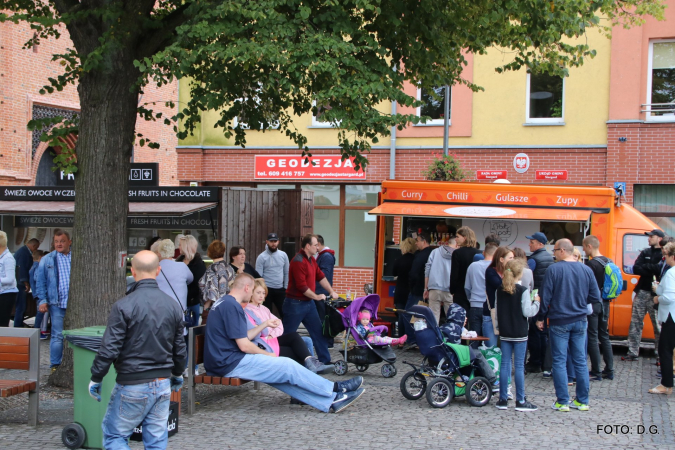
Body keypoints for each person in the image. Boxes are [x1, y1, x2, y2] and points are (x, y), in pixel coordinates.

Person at [204, 273, 365, 413]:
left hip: (223, 360)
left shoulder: (223, 302)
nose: (252, 293)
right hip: (229, 363)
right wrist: (268, 355)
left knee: (281, 376)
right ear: (247, 288)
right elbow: (244, 345)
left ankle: (331, 401)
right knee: (286, 365)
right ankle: (335, 388)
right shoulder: (232, 306)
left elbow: (241, 338)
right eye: (252, 290)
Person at [88, 250, 187, 449]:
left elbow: (109, 348)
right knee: (157, 440)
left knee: (115, 436)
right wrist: (177, 373)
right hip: (162, 383)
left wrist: (97, 377)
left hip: (132, 382)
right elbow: (180, 348)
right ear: (158, 271)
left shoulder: (123, 305)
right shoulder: (173, 305)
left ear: (133, 272)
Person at [540, 239, 601, 412]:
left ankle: (563, 401)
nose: (553, 253)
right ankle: (582, 401)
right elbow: (595, 296)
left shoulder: (554, 269)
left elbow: (545, 297)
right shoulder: (586, 269)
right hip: (580, 319)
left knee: (559, 361)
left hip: (559, 320)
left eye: (555, 250)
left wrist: (541, 317)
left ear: (562, 251)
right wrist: (581, 303)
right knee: (580, 361)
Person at [244, 278, 333, 374]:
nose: (261, 296)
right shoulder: (248, 310)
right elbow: (259, 331)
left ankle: (312, 365)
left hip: (272, 339)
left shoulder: (264, 308)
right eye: (258, 293)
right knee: (295, 342)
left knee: (307, 340)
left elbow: (278, 324)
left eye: (263, 293)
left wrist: (271, 334)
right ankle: (310, 369)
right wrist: (268, 331)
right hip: (263, 343)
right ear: (251, 293)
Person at [283, 234, 339, 365]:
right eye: (315, 245)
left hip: (308, 304)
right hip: (294, 304)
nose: (317, 247)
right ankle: (282, 361)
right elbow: (302, 286)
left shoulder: (311, 260)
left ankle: (325, 361)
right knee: (287, 335)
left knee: (318, 332)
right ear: (308, 246)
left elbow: (321, 277)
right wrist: (317, 296)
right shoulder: (298, 261)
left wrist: (331, 291)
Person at [495, 259, 540, 412]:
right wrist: (537, 304)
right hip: (519, 332)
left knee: (505, 365)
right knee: (519, 366)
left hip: (505, 331)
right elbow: (527, 312)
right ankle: (520, 400)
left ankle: (502, 399)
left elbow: (497, 312)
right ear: (519, 274)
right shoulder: (523, 291)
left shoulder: (499, 290)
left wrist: (498, 327)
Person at [624, 228, 664, 361]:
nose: (648, 238)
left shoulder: (663, 254)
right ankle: (632, 351)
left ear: (659, 238)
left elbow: (660, 269)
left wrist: (647, 267)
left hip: (656, 294)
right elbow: (636, 268)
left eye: (651, 236)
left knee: (658, 325)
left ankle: (659, 353)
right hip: (642, 291)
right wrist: (651, 267)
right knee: (635, 322)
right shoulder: (646, 252)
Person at [35, 230, 72, 371]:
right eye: (56, 241)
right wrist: (42, 300)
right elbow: (41, 282)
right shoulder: (48, 259)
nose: (59, 244)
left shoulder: (76, 257)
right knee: (57, 335)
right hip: (57, 304)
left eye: (62, 241)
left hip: (74, 304)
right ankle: (55, 365)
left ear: (69, 242)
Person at [582, 235, 615, 381]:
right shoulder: (609, 261)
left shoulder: (592, 265)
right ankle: (609, 370)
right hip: (605, 303)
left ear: (589, 246)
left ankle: (596, 371)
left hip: (594, 304)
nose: (583, 250)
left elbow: (587, 287)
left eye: (584, 247)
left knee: (592, 337)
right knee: (604, 336)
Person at [526, 231, 554, 374]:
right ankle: (544, 361)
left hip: (535, 298)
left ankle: (535, 362)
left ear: (540, 244)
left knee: (534, 333)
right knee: (543, 333)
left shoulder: (533, 260)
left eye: (532, 241)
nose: (529, 244)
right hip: (546, 299)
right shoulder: (550, 258)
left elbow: (526, 278)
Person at [650, 242, 675, 395]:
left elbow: (669, 297)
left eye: (666, 256)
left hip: (671, 316)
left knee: (664, 350)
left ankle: (666, 385)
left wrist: (658, 298)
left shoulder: (672, 273)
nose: (664, 259)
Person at [403, 232, 434, 347]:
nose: (416, 243)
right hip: (429, 289)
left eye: (418, 241)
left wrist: (412, 286)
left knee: (408, 313)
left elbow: (414, 273)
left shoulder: (420, 256)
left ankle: (412, 339)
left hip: (417, 290)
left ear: (424, 241)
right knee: (424, 316)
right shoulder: (433, 253)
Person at [465, 242, 499, 343]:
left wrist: (470, 299)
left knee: (474, 337)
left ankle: (473, 357)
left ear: (484, 252)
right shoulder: (496, 268)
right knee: (489, 339)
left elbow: (467, 287)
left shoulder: (473, 266)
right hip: (490, 306)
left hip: (475, 304)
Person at [484, 247, 514, 348]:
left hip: (505, 314)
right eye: (510, 258)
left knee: (506, 348)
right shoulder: (490, 271)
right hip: (491, 313)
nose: (512, 261)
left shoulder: (510, 272)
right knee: (491, 348)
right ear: (501, 259)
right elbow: (501, 286)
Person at [255, 232, 289, 319]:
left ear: (278, 242)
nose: (273, 243)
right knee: (265, 314)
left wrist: (285, 287)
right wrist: (261, 290)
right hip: (267, 290)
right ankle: (267, 332)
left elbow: (287, 272)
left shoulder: (283, 255)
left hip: (280, 289)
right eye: (271, 241)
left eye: (275, 241)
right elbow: (258, 276)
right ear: (267, 242)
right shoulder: (261, 257)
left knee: (285, 313)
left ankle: (285, 332)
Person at [199, 240, 236, 319]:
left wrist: (206, 305)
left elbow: (211, 290)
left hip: (215, 308)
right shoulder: (230, 268)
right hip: (229, 305)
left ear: (210, 252)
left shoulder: (212, 269)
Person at [155, 239, 193, 314]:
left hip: (160, 312)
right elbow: (190, 280)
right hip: (179, 311)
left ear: (159, 253)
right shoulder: (182, 266)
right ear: (173, 252)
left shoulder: (154, 269)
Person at [176, 235, 206, 329]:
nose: (179, 247)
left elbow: (198, 284)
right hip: (180, 301)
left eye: (180, 245)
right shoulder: (178, 261)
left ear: (186, 246)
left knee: (192, 331)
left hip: (192, 302)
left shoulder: (198, 264)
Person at [424, 235, 456, 325]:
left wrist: (426, 288)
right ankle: (450, 337)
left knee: (433, 319)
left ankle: (434, 338)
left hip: (434, 288)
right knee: (451, 318)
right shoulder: (457, 254)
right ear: (456, 244)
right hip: (450, 290)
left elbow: (427, 270)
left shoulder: (435, 252)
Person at [450, 226, 481, 311]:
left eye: (457, 237)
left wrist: (452, 290)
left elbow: (454, 274)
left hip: (460, 291)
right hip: (475, 291)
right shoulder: (479, 253)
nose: (455, 239)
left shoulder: (457, 253)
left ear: (465, 238)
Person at [12, 238, 39, 328]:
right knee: (21, 306)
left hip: (19, 282)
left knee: (21, 305)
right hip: (20, 283)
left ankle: (18, 323)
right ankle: (18, 325)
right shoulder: (24, 253)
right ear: (34, 246)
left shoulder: (23, 251)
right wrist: (26, 283)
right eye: (36, 248)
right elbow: (22, 269)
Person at [314, 235, 336, 346]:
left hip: (321, 291)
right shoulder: (322, 255)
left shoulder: (326, 256)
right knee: (320, 317)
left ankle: (327, 341)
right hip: (319, 291)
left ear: (318, 244)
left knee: (323, 318)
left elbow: (324, 276)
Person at [393, 237, 416, 339]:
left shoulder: (399, 260)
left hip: (400, 289)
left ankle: (401, 338)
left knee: (401, 314)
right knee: (411, 315)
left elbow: (394, 272)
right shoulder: (416, 259)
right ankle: (411, 338)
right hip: (411, 290)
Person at [0, 231, 19, 327]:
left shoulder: (8, 258)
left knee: (2, 323)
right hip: (2, 293)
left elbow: (10, 279)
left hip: (6, 294)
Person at [29, 250, 49, 339]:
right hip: (39, 293)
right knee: (40, 314)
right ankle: (37, 332)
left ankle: (38, 331)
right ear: (41, 257)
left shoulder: (32, 267)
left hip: (36, 292)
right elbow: (38, 278)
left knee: (40, 313)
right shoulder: (38, 267)